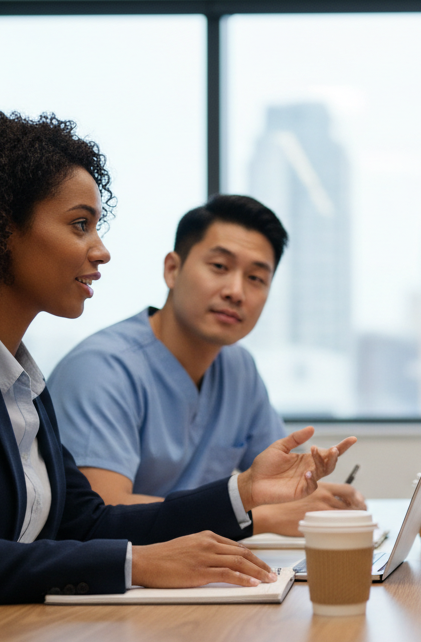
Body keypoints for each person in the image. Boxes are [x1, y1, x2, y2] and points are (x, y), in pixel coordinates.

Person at [0, 109, 352, 642]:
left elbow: (84, 522)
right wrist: (136, 563)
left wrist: (244, 491)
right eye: (79, 224)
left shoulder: (14, 375)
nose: (101, 250)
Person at [47, 196, 363, 535]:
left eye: (256, 278)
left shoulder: (239, 369)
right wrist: (257, 520)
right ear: (172, 269)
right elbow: (104, 513)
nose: (236, 291)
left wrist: (316, 498)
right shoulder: (102, 369)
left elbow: (277, 487)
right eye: (219, 267)